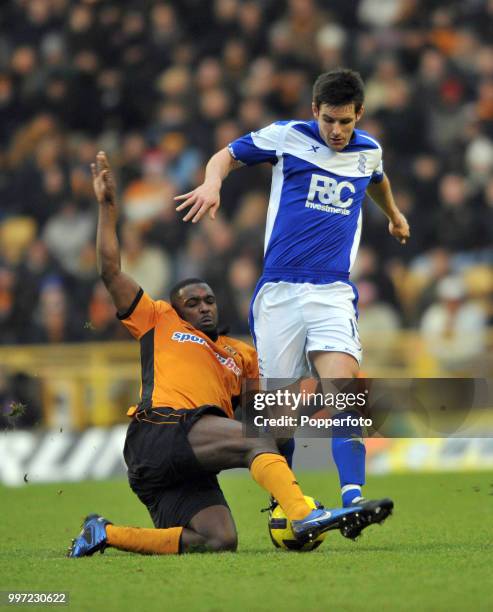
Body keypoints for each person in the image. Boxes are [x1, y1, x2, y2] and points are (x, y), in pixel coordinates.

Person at [68, 151, 372, 558]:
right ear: (177, 309)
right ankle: (301, 513)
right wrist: (107, 207)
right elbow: (110, 271)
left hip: (192, 457)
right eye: (192, 302)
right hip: (160, 431)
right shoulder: (158, 320)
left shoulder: (239, 355)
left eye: (209, 300)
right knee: (254, 442)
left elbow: (276, 422)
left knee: (217, 539)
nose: (204, 306)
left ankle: (104, 533)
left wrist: (321, 394)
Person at [175, 68, 409, 521]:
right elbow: (225, 155)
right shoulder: (286, 137)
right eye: (329, 121)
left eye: (346, 122)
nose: (337, 131)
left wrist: (394, 215)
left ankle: (353, 498)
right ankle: (289, 504)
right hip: (280, 290)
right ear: (314, 113)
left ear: (359, 114)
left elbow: (377, 178)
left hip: (333, 289)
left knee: (345, 388)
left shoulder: (369, 151)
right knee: (280, 420)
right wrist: (212, 182)